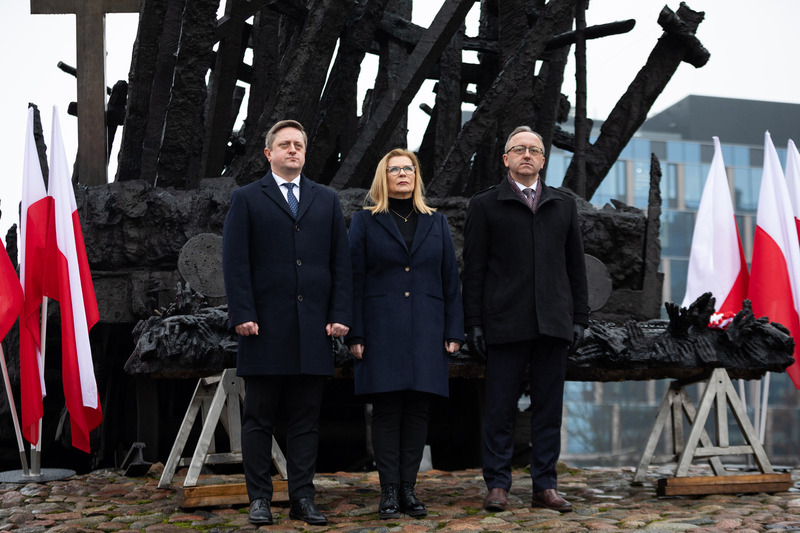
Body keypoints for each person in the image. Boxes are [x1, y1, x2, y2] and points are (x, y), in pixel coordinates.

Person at [222, 120, 352, 526]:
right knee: (259, 418)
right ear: (269, 153)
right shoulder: (246, 198)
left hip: (313, 328)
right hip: (262, 329)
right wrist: (242, 313)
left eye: (298, 145)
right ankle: (259, 498)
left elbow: (340, 263)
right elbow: (235, 261)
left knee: (304, 421)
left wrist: (339, 314)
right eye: (285, 145)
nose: (293, 150)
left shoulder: (326, 200)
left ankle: (302, 497)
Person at [462, 126, 589, 513]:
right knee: (499, 409)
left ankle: (544, 486)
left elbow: (575, 267)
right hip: (505, 322)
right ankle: (498, 485)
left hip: (553, 323)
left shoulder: (563, 205)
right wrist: (474, 322)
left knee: (548, 409)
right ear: (506, 159)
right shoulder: (485, 205)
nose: (527, 155)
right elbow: (475, 269)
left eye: (535, 150)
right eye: (519, 149)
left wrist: (579, 317)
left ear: (543, 159)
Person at [347, 148, 464, 519]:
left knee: (417, 411)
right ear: (384, 177)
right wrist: (355, 334)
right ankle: (389, 493)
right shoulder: (365, 222)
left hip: (428, 329)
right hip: (381, 329)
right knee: (386, 409)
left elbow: (450, 281)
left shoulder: (437, 222)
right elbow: (354, 280)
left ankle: (410, 490)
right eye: (395, 169)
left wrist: (453, 331)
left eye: (408, 169)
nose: (402, 174)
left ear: (416, 177)